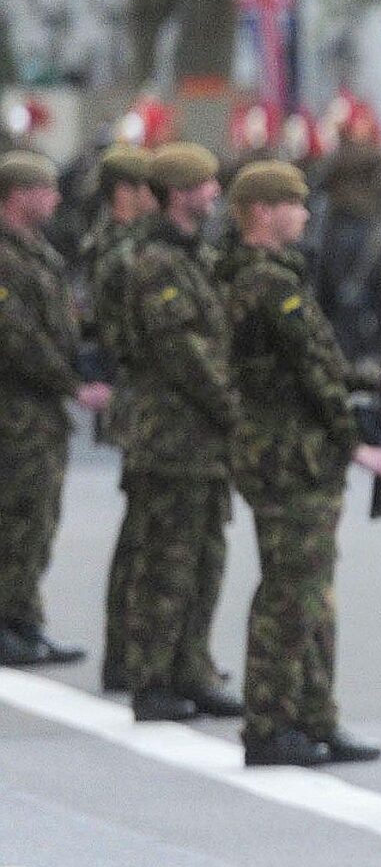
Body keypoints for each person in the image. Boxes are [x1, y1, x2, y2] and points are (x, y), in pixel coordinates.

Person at [221, 160, 381, 767]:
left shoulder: (269, 276)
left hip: (292, 452)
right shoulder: (268, 281)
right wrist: (356, 441)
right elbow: (315, 372)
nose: (304, 214)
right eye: (294, 204)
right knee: (292, 592)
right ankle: (270, 723)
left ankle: (314, 715)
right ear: (264, 213)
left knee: (314, 589)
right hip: (286, 455)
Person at [120, 142, 243, 722]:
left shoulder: (195, 257)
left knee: (204, 559)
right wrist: (234, 407)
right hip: (172, 440)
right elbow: (185, 355)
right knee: (166, 563)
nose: (215, 193)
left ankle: (190, 667)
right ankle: (153, 677)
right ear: (176, 195)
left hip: (202, 442)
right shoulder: (157, 265)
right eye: (205, 184)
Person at [0, 151, 112, 666]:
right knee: (16, 518)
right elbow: (16, 338)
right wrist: (72, 384)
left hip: (38, 413)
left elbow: (59, 325)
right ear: (19, 197)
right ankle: (8, 623)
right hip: (14, 411)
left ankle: (23, 619)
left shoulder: (37, 252)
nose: (57, 198)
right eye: (46, 190)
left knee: (37, 519)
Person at [78, 141, 154, 689]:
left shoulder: (123, 245)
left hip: (137, 399)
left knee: (145, 530)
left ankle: (132, 652)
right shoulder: (121, 251)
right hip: (140, 400)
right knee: (146, 533)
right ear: (127, 193)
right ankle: (128, 653)